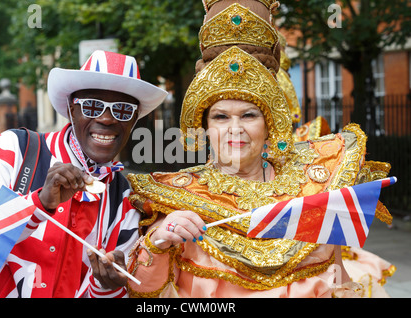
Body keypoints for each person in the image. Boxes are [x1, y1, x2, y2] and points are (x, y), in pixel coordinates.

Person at [125, 0, 393, 298]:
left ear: (268, 128)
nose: (235, 128)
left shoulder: (316, 186)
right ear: (205, 128)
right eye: (221, 117)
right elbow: (143, 292)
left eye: (249, 116)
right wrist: (158, 243)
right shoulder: (177, 198)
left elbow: (340, 281)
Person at [0, 50, 167, 297]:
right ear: (71, 108)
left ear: (134, 120)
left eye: (122, 109)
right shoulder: (14, 151)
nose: (107, 119)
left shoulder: (127, 201)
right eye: (93, 105)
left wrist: (106, 286)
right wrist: (40, 204)